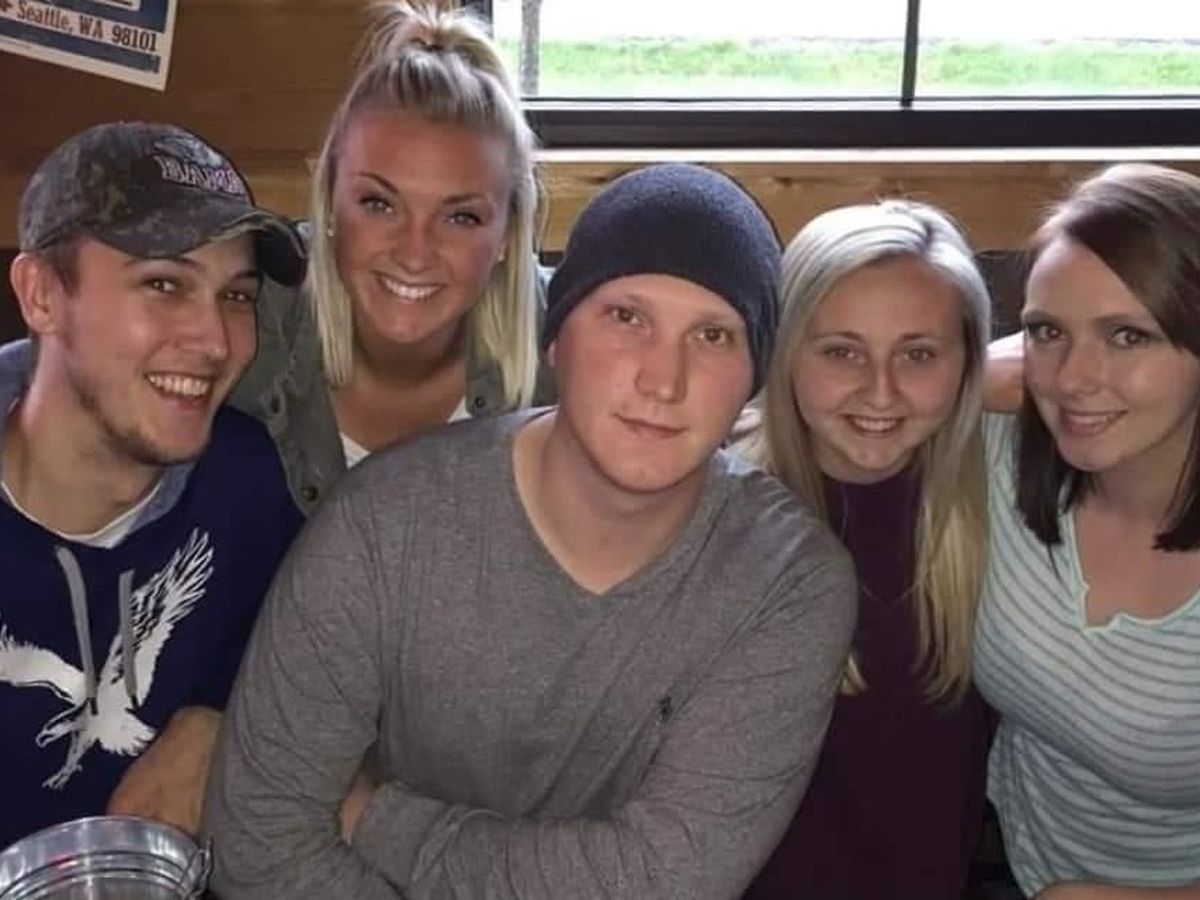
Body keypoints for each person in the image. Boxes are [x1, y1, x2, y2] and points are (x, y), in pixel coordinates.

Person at [204, 163, 857, 899]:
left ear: (753, 378)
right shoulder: (382, 525)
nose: (663, 380)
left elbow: (665, 880)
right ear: (556, 340)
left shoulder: (786, 581)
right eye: (626, 317)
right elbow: (256, 841)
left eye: (713, 335)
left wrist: (378, 818)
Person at [0, 121, 306, 848]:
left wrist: (220, 718)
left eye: (237, 295)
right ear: (42, 295)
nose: (216, 342)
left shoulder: (245, 486)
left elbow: (312, 657)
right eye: (164, 284)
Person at [740, 200, 994, 898]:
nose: (880, 392)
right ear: (784, 351)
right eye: (841, 352)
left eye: (918, 354)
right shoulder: (719, 510)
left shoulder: (992, 495)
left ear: (967, 361)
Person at [974, 162, 1200, 899]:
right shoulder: (999, 449)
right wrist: (955, 377)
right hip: (1005, 841)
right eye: (1048, 331)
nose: (1073, 378)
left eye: (1127, 336)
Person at [232, 0, 549, 515]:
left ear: (508, 235)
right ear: (329, 202)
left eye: (461, 216)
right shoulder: (248, 326)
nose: (415, 253)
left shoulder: (567, 344)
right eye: (379, 204)